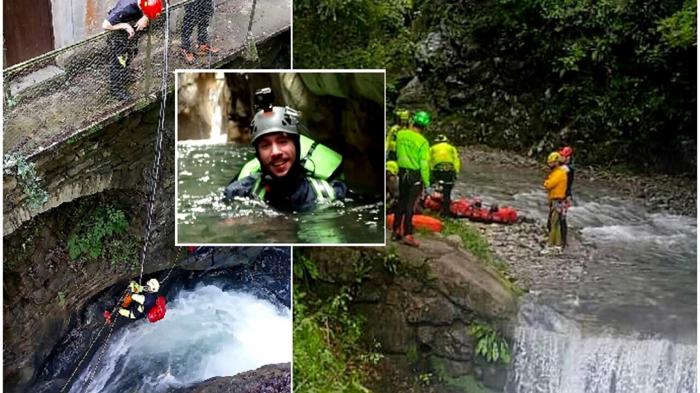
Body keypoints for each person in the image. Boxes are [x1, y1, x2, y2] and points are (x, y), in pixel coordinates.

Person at [223, 105, 347, 212]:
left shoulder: (334, 193)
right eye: (265, 145)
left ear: (296, 146)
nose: (275, 152)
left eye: (283, 141)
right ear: (258, 154)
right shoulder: (239, 192)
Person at [103, 0, 160, 101]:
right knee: (119, 61)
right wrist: (124, 26)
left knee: (132, 53)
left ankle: (124, 75)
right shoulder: (125, 8)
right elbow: (106, 25)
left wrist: (145, 17)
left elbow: (151, 7)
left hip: (130, 31)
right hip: (117, 33)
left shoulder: (147, 2)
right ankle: (116, 90)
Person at [392, 111, 431, 247]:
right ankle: (408, 234)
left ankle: (396, 230)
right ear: (425, 126)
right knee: (411, 205)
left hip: (402, 172)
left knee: (401, 201)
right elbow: (424, 164)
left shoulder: (401, 135)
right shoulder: (423, 142)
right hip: (415, 175)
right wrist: (427, 183)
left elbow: (396, 151)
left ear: (413, 121)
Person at [429, 134, 460, 216]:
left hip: (437, 170)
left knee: (428, 185)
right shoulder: (451, 148)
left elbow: (428, 160)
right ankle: (446, 211)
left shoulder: (432, 148)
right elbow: (456, 160)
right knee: (447, 191)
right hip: (450, 170)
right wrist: (456, 173)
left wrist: (430, 174)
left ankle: (424, 201)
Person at [543, 151, 568, 250]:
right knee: (555, 223)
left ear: (556, 162)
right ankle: (556, 244)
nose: (550, 165)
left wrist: (546, 182)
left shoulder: (559, 173)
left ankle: (552, 245)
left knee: (554, 223)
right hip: (556, 200)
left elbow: (549, 184)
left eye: (551, 163)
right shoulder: (556, 172)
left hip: (558, 200)